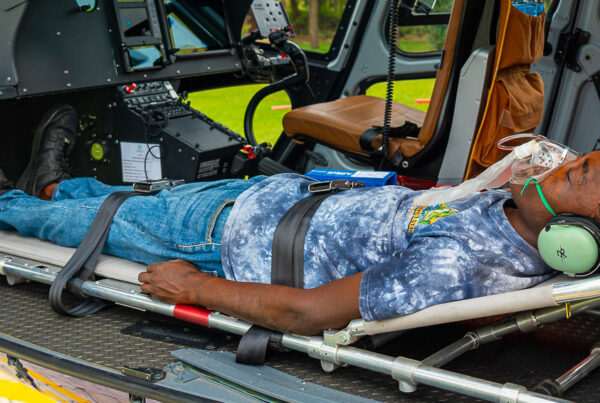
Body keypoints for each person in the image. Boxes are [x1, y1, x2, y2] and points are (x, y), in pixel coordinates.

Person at [0, 105, 596, 336]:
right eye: (581, 160)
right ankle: (52, 186)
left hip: (219, 235)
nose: (566, 163)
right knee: (110, 198)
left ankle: (23, 202)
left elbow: (307, 314)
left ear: (578, 238)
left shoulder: (457, 264)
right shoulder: (513, 210)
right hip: (279, 198)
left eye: (578, 177)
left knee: (70, 221)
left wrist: (193, 287)